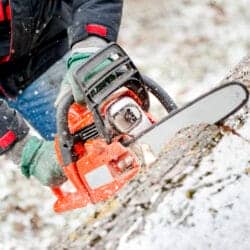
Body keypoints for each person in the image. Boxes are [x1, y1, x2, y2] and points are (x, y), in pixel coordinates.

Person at [0, 0, 123, 186]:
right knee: (97, 175)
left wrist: (91, 44)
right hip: (9, 75)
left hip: (50, 44)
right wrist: (20, 147)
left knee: (117, 130)